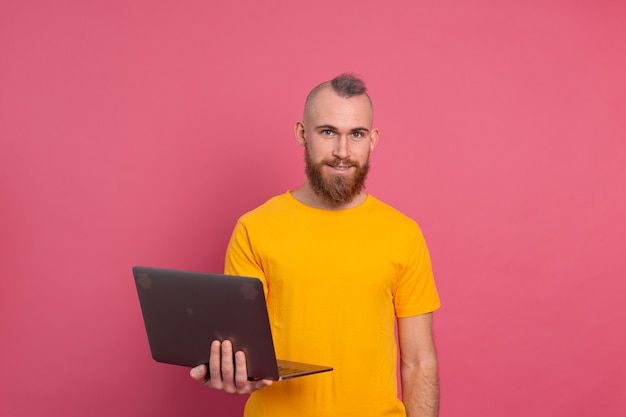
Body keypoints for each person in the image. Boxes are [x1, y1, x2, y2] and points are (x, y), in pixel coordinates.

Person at [190, 73, 441, 417]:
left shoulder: (404, 234)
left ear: (373, 140)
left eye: (356, 134)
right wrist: (233, 373)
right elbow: (241, 352)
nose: (342, 152)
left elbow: (418, 361)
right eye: (327, 132)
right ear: (301, 133)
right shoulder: (255, 228)